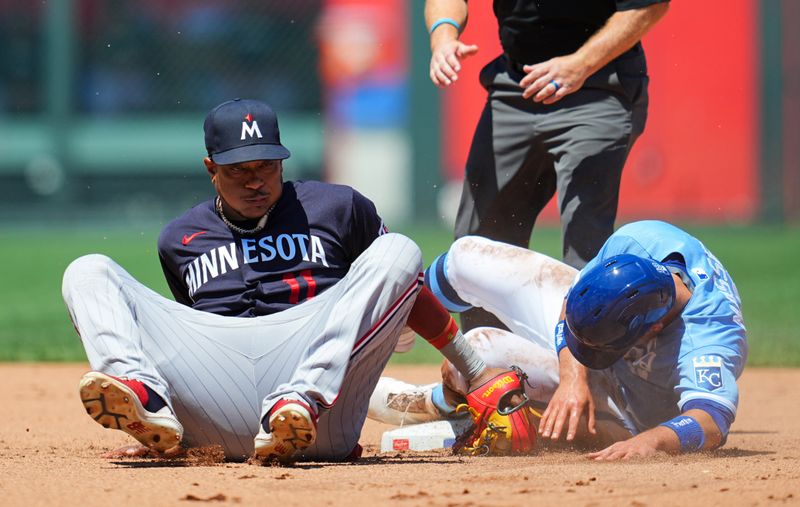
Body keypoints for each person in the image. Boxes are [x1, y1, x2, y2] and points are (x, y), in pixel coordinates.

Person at [62, 98, 501, 463]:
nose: (256, 182)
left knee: (399, 250)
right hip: (217, 400)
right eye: (238, 170)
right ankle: (151, 405)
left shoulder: (338, 207)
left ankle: (299, 398)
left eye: (267, 166)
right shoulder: (179, 238)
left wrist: (475, 372)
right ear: (210, 167)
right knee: (87, 271)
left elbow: (407, 286)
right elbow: (190, 338)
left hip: (318, 411)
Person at [369, 220, 748, 460]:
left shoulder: (708, 340)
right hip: (609, 339)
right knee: (468, 255)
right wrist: (573, 377)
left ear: (651, 328)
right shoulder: (639, 241)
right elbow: (574, 304)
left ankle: (437, 403)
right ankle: (400, 319)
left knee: (477, 349)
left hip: (635, 407)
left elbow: (710, 420)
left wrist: (649, 443)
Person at [424, 0, 669, 330]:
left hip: (598, 82)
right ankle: (490, 368)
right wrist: (444, 37)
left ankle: (589, 370)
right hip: (517, 83)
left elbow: (648, 6)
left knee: (586, 242)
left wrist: (579, 64)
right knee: (480, 242)